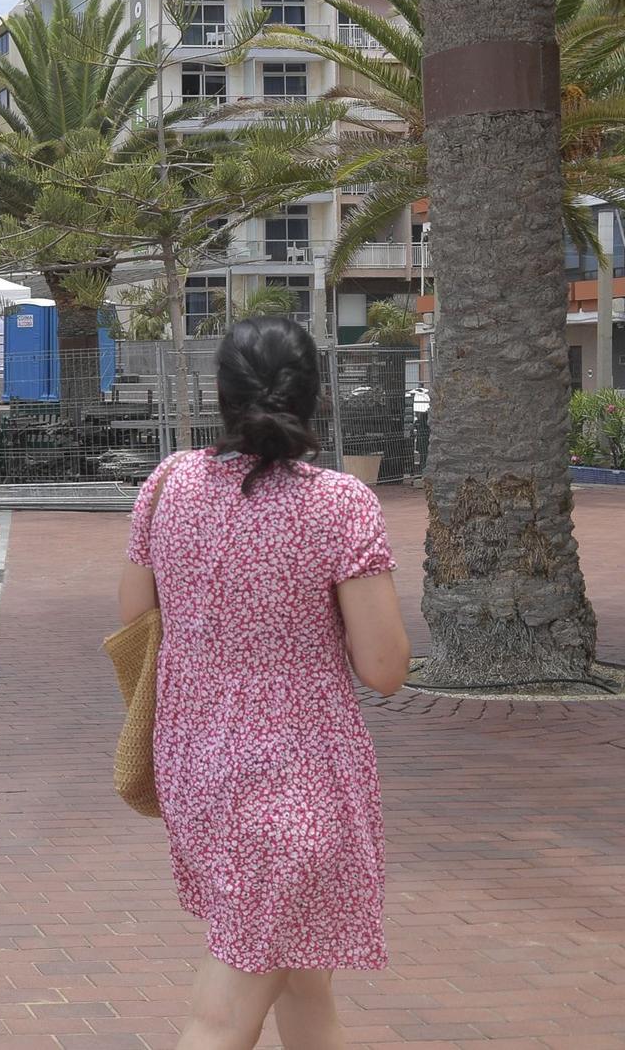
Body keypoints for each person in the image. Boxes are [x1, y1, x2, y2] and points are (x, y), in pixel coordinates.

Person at [118, 316, 410, 1050]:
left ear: (220, 393)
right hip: (297, 786)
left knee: (306, 990)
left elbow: (135, 620)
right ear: (314, 397)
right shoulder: (339, 504)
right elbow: (384, 668)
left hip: (196, 775)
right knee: (220, 1020)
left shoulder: (166, 486)